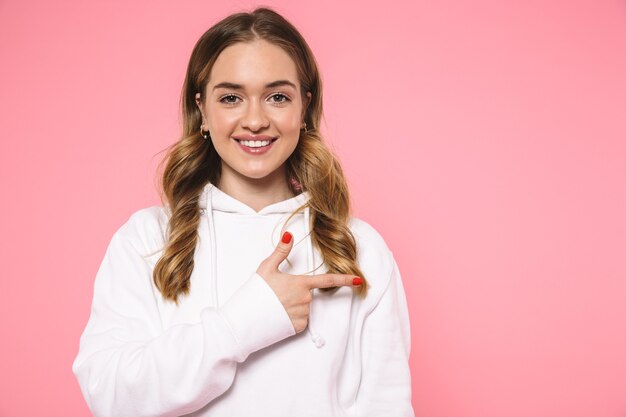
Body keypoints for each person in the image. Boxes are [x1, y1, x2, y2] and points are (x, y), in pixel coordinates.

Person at [72, 7, 414, 417]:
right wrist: (249, 319)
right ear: (202, 108)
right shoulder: (146, 240)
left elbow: (386, 406)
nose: (254, 120)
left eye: (277, 97)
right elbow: (111, 397)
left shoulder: (359, 248)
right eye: (231, 97)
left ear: (304, 107)